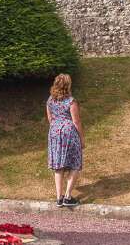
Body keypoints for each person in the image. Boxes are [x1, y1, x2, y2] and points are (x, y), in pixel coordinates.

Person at [46, 73, 84, 207]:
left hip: (55, 133)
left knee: (58, 165)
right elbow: (76, 121)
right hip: (68, 132)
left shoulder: (50, 100)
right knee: (75, 163)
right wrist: (82, 139)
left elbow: (50, 118)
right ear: (68, 85)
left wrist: (56, 128)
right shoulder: (71, 101)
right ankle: (67, 197)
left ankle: (58, 198)